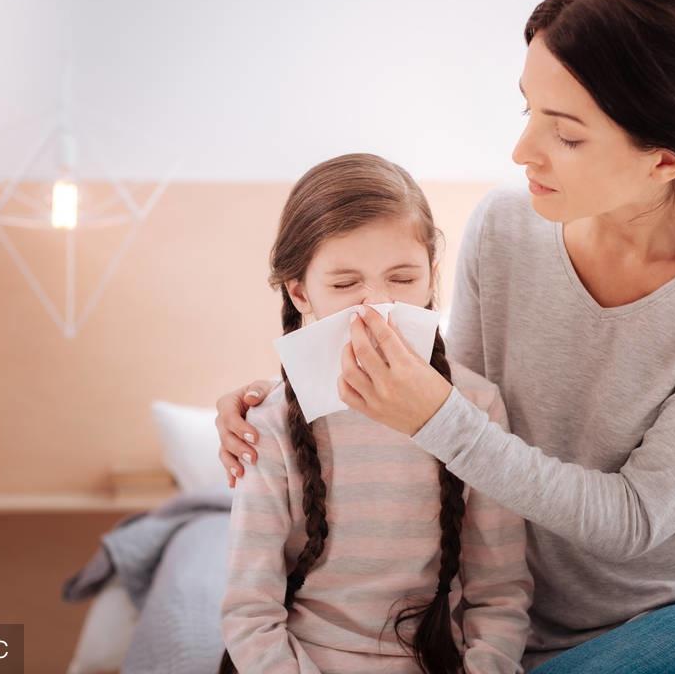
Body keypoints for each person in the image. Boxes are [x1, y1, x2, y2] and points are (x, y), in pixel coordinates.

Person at [216, 0, 675, 671]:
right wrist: (273, 399)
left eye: (564, 133)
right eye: (527, 110)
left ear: (662, 159)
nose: (522, 151)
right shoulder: (506, 226)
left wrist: (435, 414)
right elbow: (458, 405)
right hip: (534, 625)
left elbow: (629, 518)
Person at [218, 153, 533, 674]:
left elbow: (498, 596)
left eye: (402, 278)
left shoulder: (478, 407)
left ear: (432, 278)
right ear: (300, 292)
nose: (375, 307)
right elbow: (250, 613)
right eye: (345, 285)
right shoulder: (269, 425)